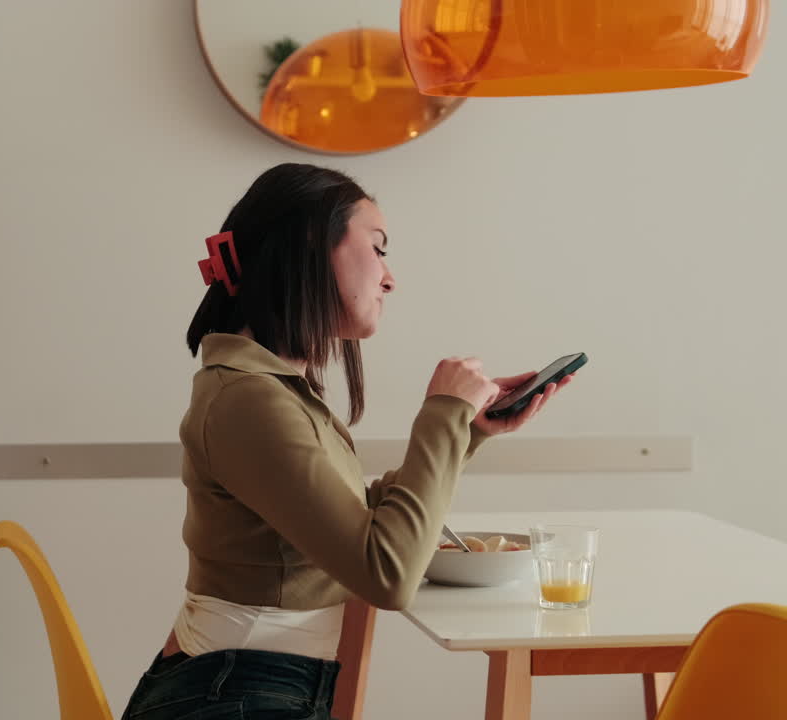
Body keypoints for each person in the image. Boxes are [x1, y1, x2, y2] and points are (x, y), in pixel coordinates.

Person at [120, 164, 573, 720]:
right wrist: (441, 417)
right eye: (378, 249)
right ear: (312, 245)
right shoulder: (248, 400)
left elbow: (359, 524)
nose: (389, 278)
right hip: (237, 692)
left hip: (246, 683)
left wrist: (466, 433)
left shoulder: (264, 389)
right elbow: (386, 574)